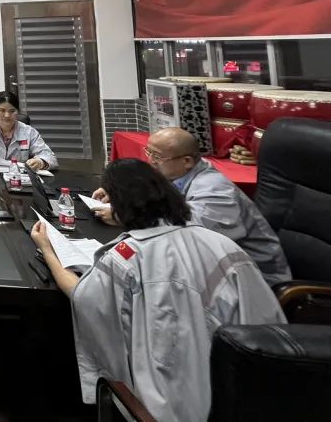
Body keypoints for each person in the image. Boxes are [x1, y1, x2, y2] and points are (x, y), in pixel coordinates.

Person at [31, 158, 285, 421]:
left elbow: (82, 295)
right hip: (254, 393)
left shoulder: (127, 255)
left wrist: (47, 249)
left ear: (120, 208)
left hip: (167, 406)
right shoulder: (226, 246)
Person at [92, 127, 291, 287]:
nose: (150, 161)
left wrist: (125, 215)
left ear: (186, 161)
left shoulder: (215, 190)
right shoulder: (178, 172)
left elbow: (187, 232)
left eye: (157, 156)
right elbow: (156, 197)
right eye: (148, 152)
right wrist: (120, 195)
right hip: (212, 268)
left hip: (254, 280)